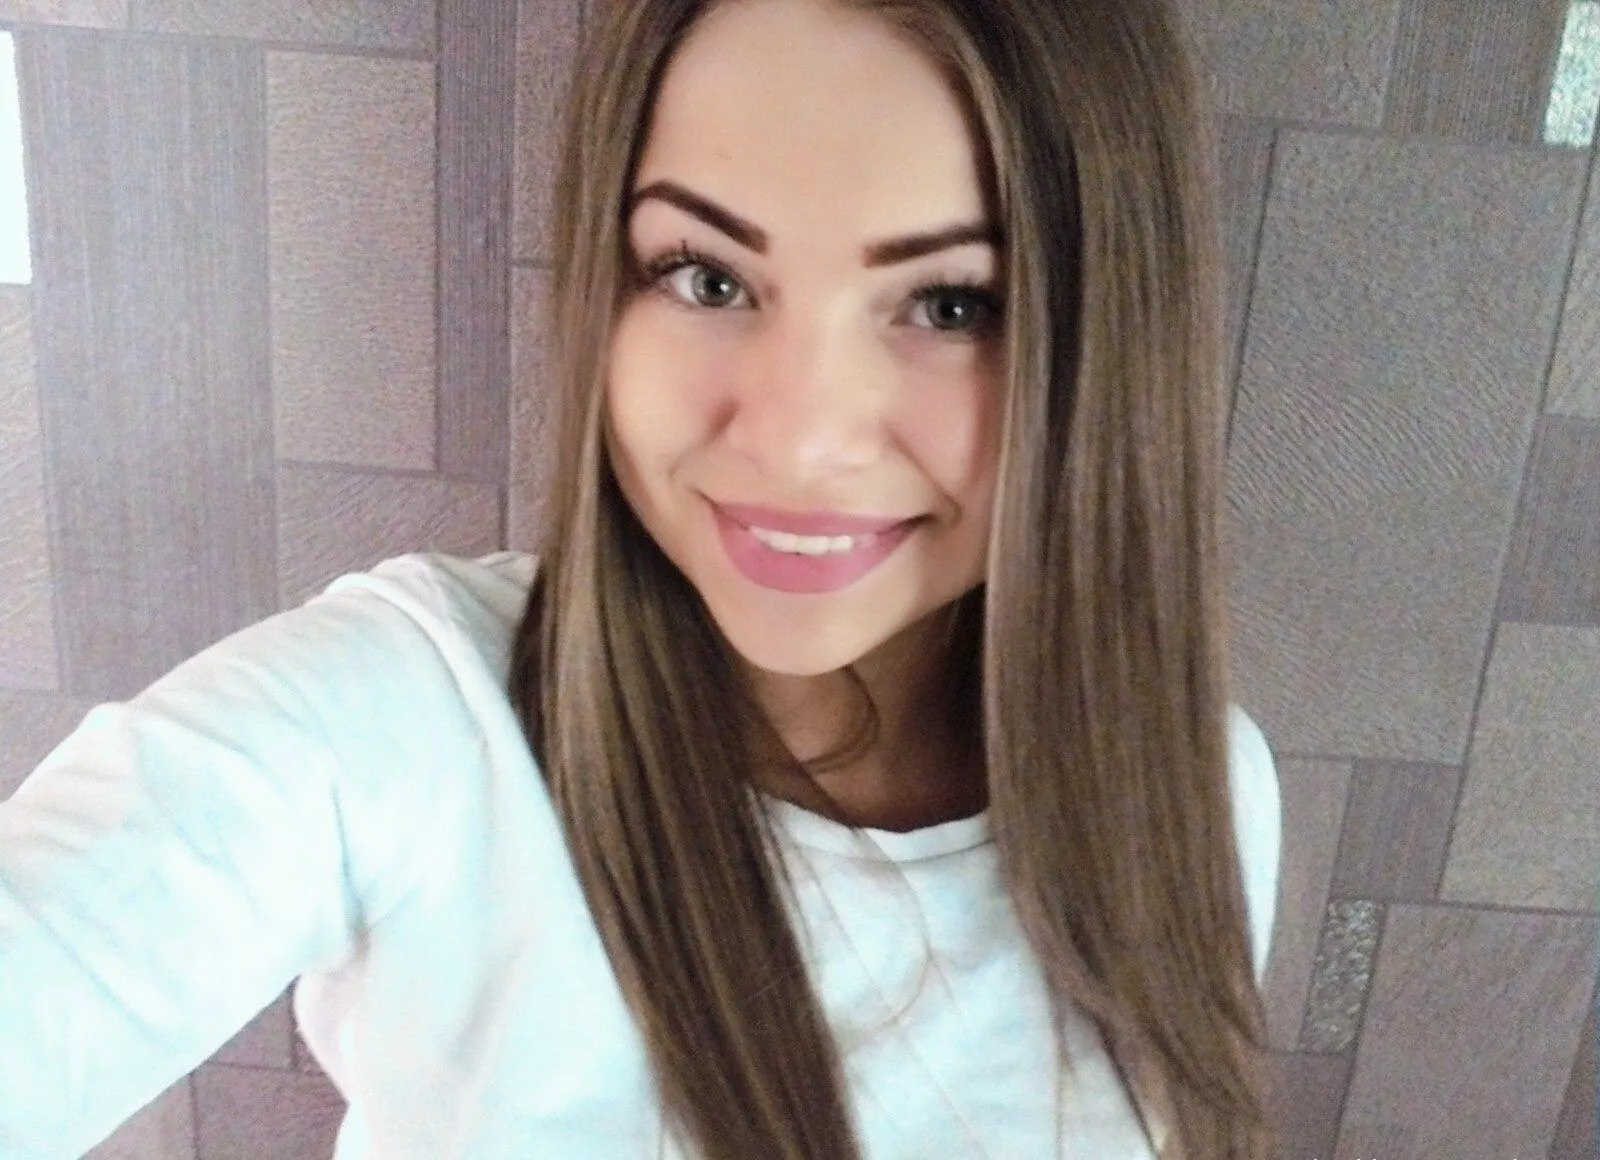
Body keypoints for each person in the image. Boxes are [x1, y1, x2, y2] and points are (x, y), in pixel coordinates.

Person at [0, 0, 1282, 1157]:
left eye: (951, 304)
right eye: (707, 278)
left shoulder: (1197, 790)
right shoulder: (405, 720)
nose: (796, 439)